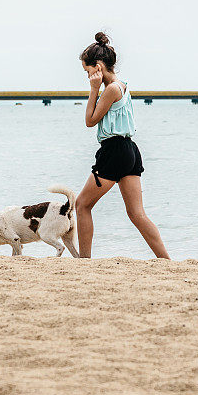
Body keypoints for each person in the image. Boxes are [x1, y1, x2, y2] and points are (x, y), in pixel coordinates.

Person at [75, 32, 170, 259]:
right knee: (137, 214)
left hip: (114, 150)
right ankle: (166, 260)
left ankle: (84, 261)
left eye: (87, 71)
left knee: (82, 205)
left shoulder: (110, 89)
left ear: (97, 66)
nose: (87, 76)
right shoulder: (122, 85)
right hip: (129, 150)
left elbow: (90, 121)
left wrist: (93, 88)